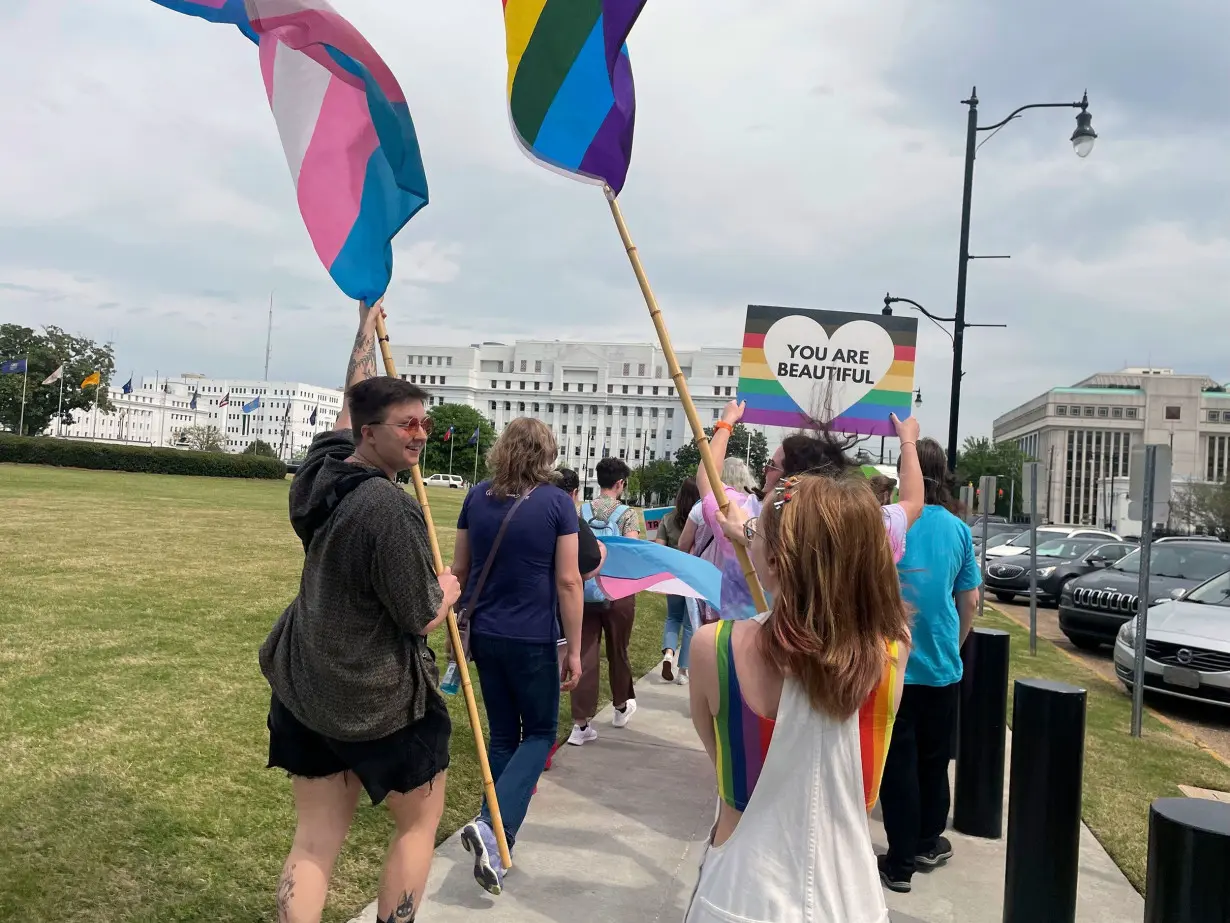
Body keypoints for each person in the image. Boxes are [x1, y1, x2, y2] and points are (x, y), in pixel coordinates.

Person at [259, 302, 460, 923]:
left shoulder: (318, 473)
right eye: (407, 425)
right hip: (378, 701)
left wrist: (365, 329)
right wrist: (448, 588)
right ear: (370, 434)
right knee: (419, 824)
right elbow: (420, 615)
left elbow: (353, 398)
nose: (420, 434)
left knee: (315, 839)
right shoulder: (389, 511)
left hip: (307, 683)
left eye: (424, 423)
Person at [684, 474, 912, 921]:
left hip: (739, 892)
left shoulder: (714, 648)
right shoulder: (892, 651)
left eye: (757, 532)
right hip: (852, 898)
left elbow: (722, 763)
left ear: (775, 559)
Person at [450, 418, 585, 895]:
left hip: (485, 632)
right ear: (546, 454)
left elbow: (460, 569)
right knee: (542, 734)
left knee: (506, 735)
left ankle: (495, 839)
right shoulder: (556, 504)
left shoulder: (477, 496)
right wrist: (573, 647)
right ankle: (493, 828)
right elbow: (570, 580)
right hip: (532, 637)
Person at [877, 438, 981, 894]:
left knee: (896, 761)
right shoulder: (958, 529)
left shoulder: (892, 522)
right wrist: (953, 646)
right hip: (940, 662)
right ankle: (927, 840)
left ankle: (899, 862)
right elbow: (970, 600)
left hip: (891, 660)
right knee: (935, 759)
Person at [569, 456, 642, 745]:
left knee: (584, 654)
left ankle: (580, 723)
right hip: (617, 593)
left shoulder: (580, 511)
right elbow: (630, 551)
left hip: (583, 591)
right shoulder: (627, 515)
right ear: (620, 483)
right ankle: (620, 706)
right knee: (618, 650)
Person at [656, 477, 700, 683]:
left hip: (672, 576)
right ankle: (684, 670)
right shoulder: (702, 521)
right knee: (690, 623)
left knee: (672, 617)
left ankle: (668, 653)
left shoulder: (666, 519)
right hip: (694, 575)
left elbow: (659, 549)